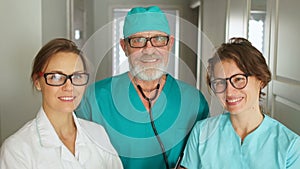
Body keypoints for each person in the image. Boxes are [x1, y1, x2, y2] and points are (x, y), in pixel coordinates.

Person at [75, 6, 209, 169]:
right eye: (138, 40)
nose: (149, 49)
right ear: (124, 47)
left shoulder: (194, 101)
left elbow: (204, 159)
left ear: (170, 44)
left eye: (158, 39)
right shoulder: (93, 99)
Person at [0, 38, 123, 169]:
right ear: (37, 82)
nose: (69, 87)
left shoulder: (97, 134)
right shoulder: (17, 150)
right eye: (56, 77)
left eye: (76, 76)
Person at [180, 37, 300, 169]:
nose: (229, 92)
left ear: (261, 80)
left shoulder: (290, 146)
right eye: (220, 82)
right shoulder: (201, 132)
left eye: (238, 79)